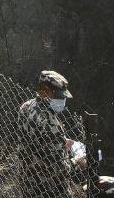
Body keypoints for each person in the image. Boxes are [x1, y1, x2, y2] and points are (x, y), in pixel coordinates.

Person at [18, 70, 87, 198]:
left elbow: (36, 142)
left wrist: (60, 143)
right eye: (59, 96)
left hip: (28, 181)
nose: (63, 100)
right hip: (50, 189)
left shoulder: (26, 107)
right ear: (44, 92)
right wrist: (78, 161)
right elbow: (61, 169)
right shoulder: (51, 123)